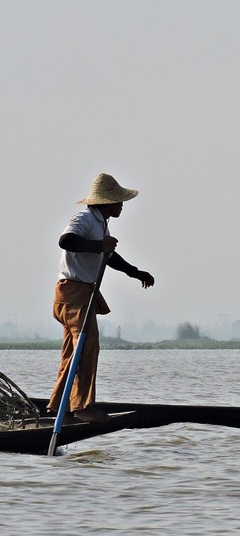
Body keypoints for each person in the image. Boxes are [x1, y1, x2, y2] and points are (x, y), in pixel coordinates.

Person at [47, 173, 155, 422]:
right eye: (118, 201)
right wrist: (99, 247)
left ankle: (60, 406)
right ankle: (82, 407)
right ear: (106, 202)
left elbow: (109, 257)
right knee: (87, 343)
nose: (121, 206)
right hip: (72, 293)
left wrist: (135, 272)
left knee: (72, 353)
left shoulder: (101, 223)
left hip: (80, 293)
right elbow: (66, 241)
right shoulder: (84, 218)